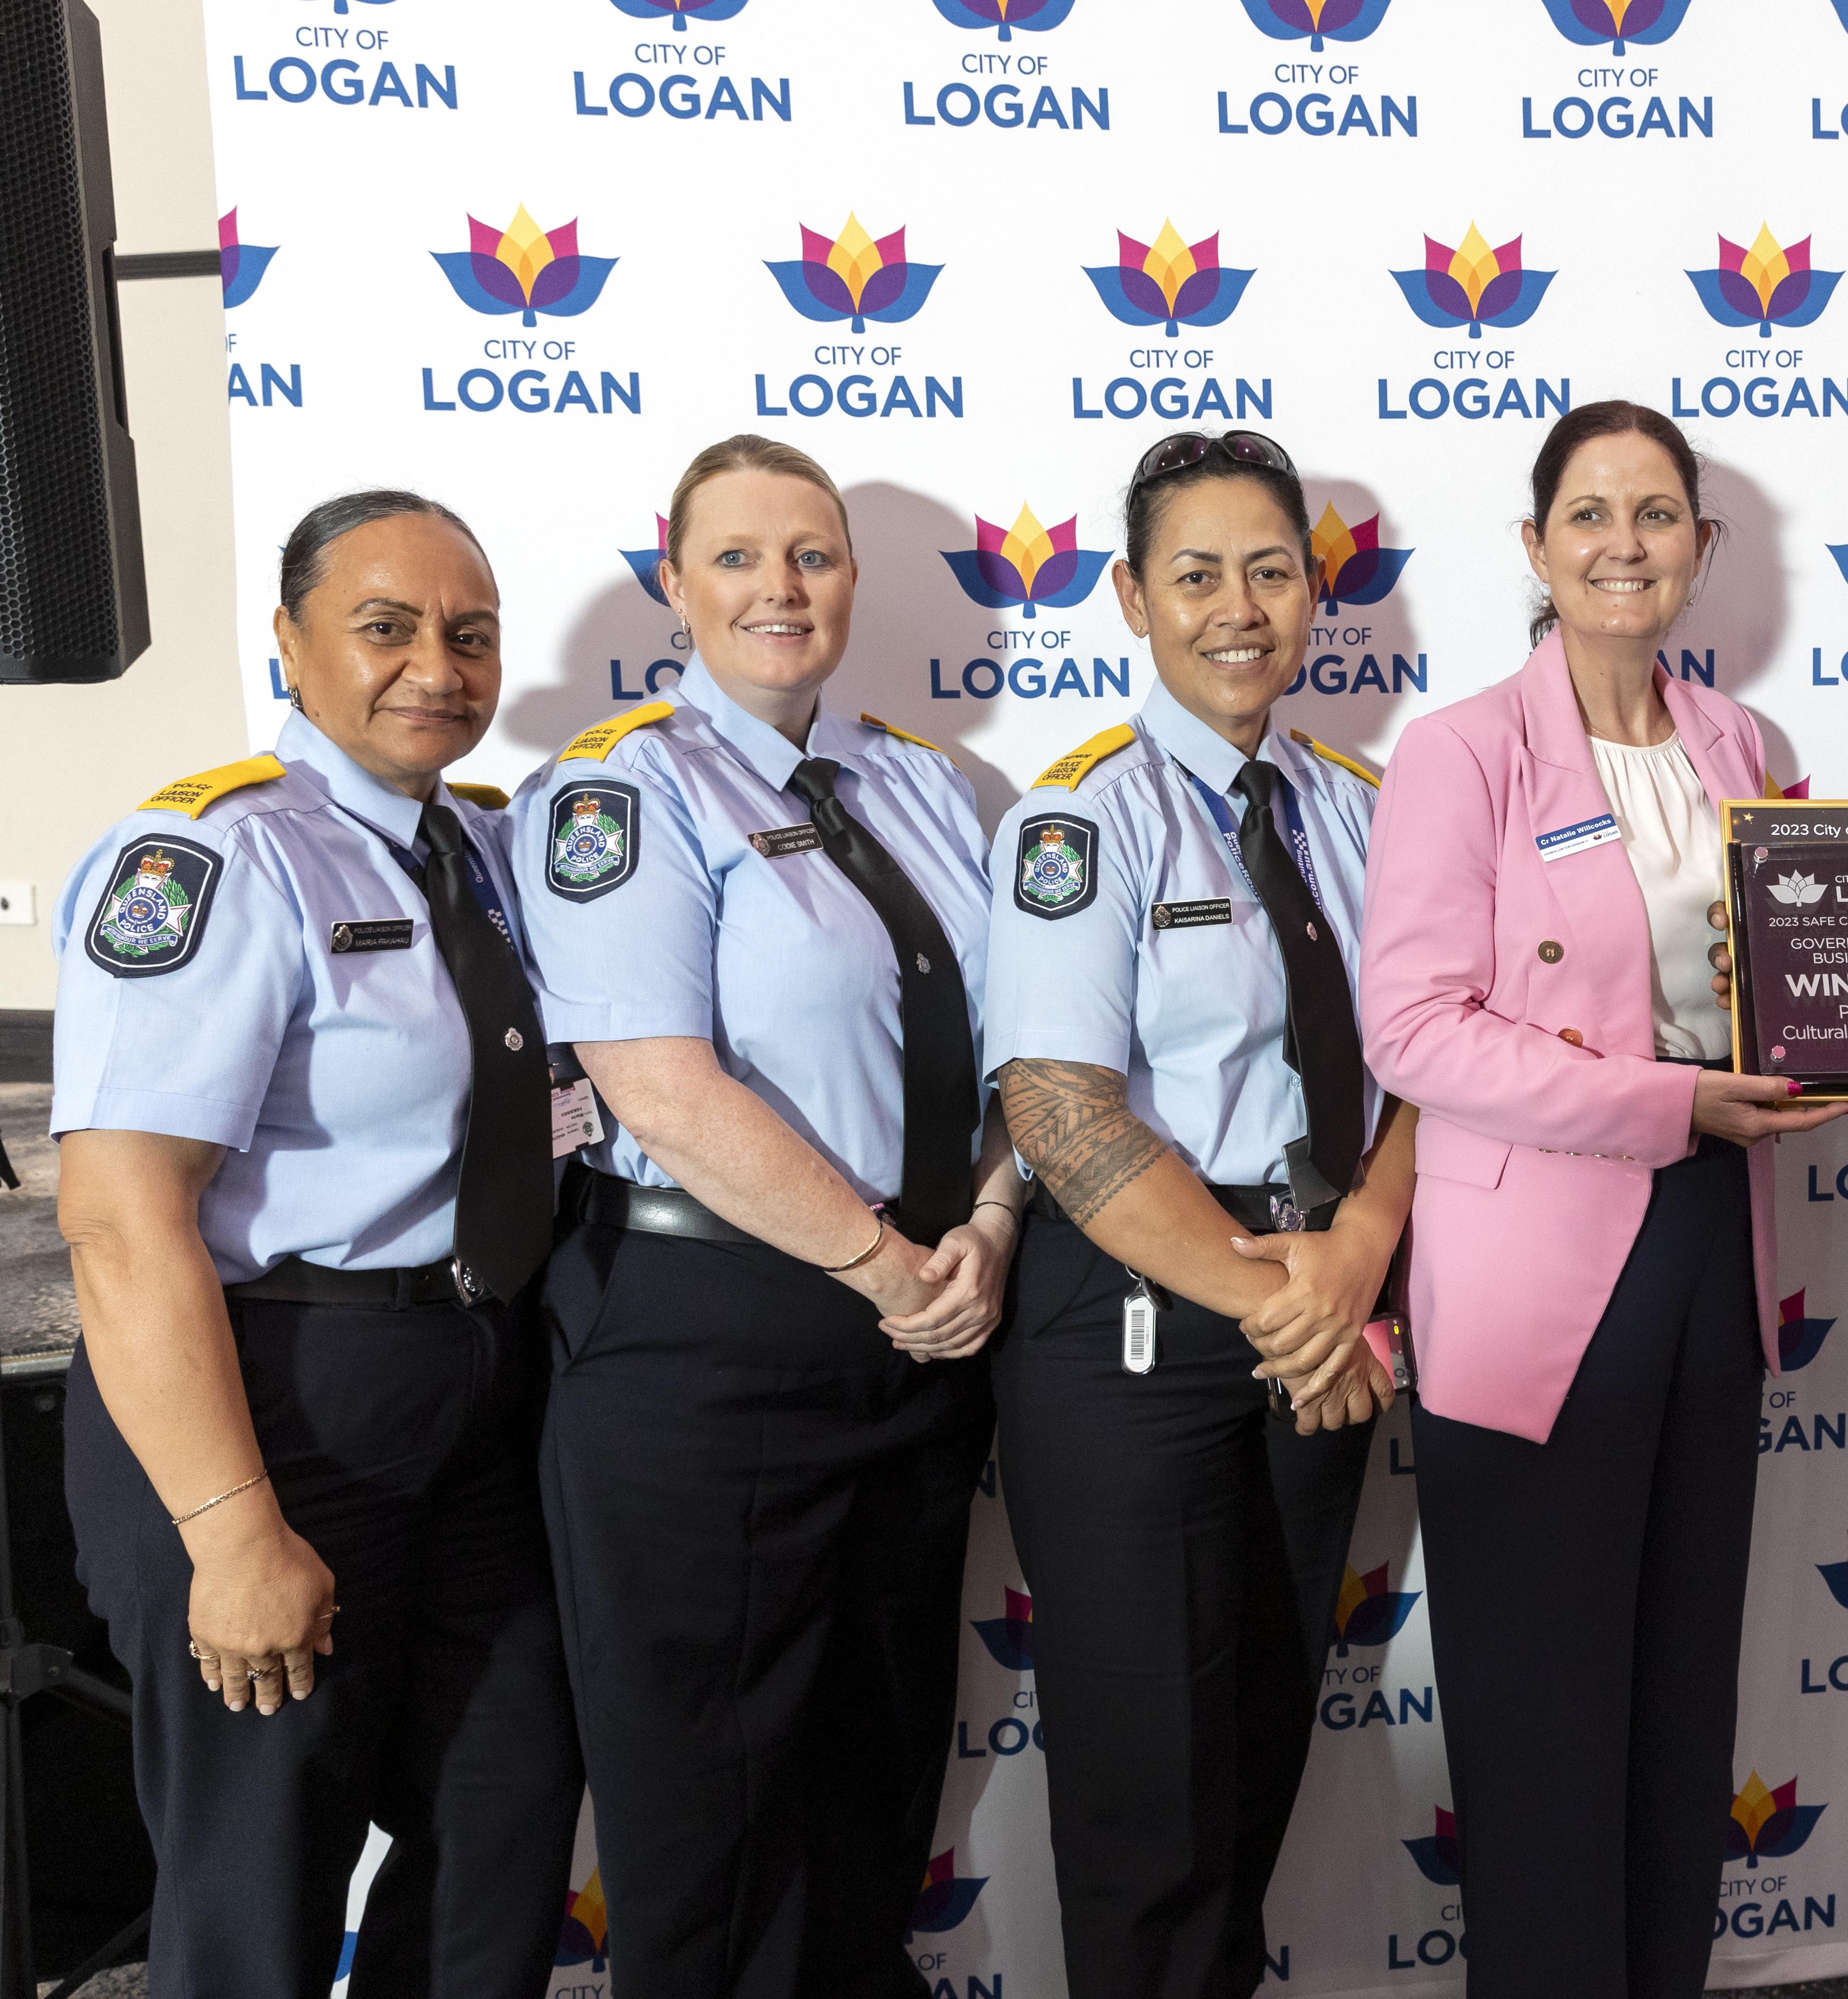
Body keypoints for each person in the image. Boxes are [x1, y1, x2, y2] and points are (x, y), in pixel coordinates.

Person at [52, 491, 583, 1997]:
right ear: (286, 644)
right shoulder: (214, 857)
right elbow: (118, 1215)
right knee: (259, 1881)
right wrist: (230, 1533)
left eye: (469, 635)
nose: (437, 665)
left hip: (474, 1393)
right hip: (268, 1398)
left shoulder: (482, 852)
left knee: (501, 1836)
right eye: (387, 627)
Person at [1359, 400, 1846, 1998]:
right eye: (1589, 515)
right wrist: (1669, 1102)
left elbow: (1785, 991)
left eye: (1656, 516)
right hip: (1537, 1271)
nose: (1622, 545)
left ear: (1702, 552)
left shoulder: (1746, 752)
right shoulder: (1461, 752)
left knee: (1676, 1687)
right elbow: (1414, 1032)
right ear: (1534, 547)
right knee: (1545, 1708)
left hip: (1716, 1240)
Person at [510, 435, 1005, 1998]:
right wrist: (876, 1257)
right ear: (673, 581)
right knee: (708, 1821)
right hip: (709, 1343)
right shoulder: (618, 790)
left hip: (926, 1328)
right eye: (736, 557)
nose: (779, 587)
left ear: (854, 579)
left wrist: (985, 1228)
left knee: (871, 1786)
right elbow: (654, 1082)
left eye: (812, 554)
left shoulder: (932, 788)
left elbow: (1029, 1062)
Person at [982, 427, 1412, 1999]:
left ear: (1316, 593)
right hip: (1147, 1319)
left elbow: (1431, 1055)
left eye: (1271, 570)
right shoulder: (1080, 819)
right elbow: (1060, 1114)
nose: (1239, 607)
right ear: (1128, 598)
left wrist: (1351, 1263)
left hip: (1324, 1299)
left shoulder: (1361, 807)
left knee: (1251, 1752)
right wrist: (1287, 1303)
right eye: (1196, 575)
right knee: (1146, 1784)